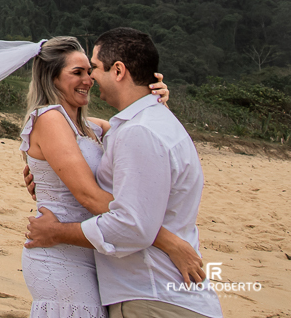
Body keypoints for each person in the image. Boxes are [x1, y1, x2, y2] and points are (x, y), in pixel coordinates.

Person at [26, 28, 221, 318]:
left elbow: (132, 221)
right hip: (78, 258)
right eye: (79, 72)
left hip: (134, 279)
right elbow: (93, 197)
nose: (90, 79)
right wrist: (167, 240)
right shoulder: (59, 120)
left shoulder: (120, 128)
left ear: (118, 70)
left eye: (92, 69)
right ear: (52, 77)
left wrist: (154, 99)